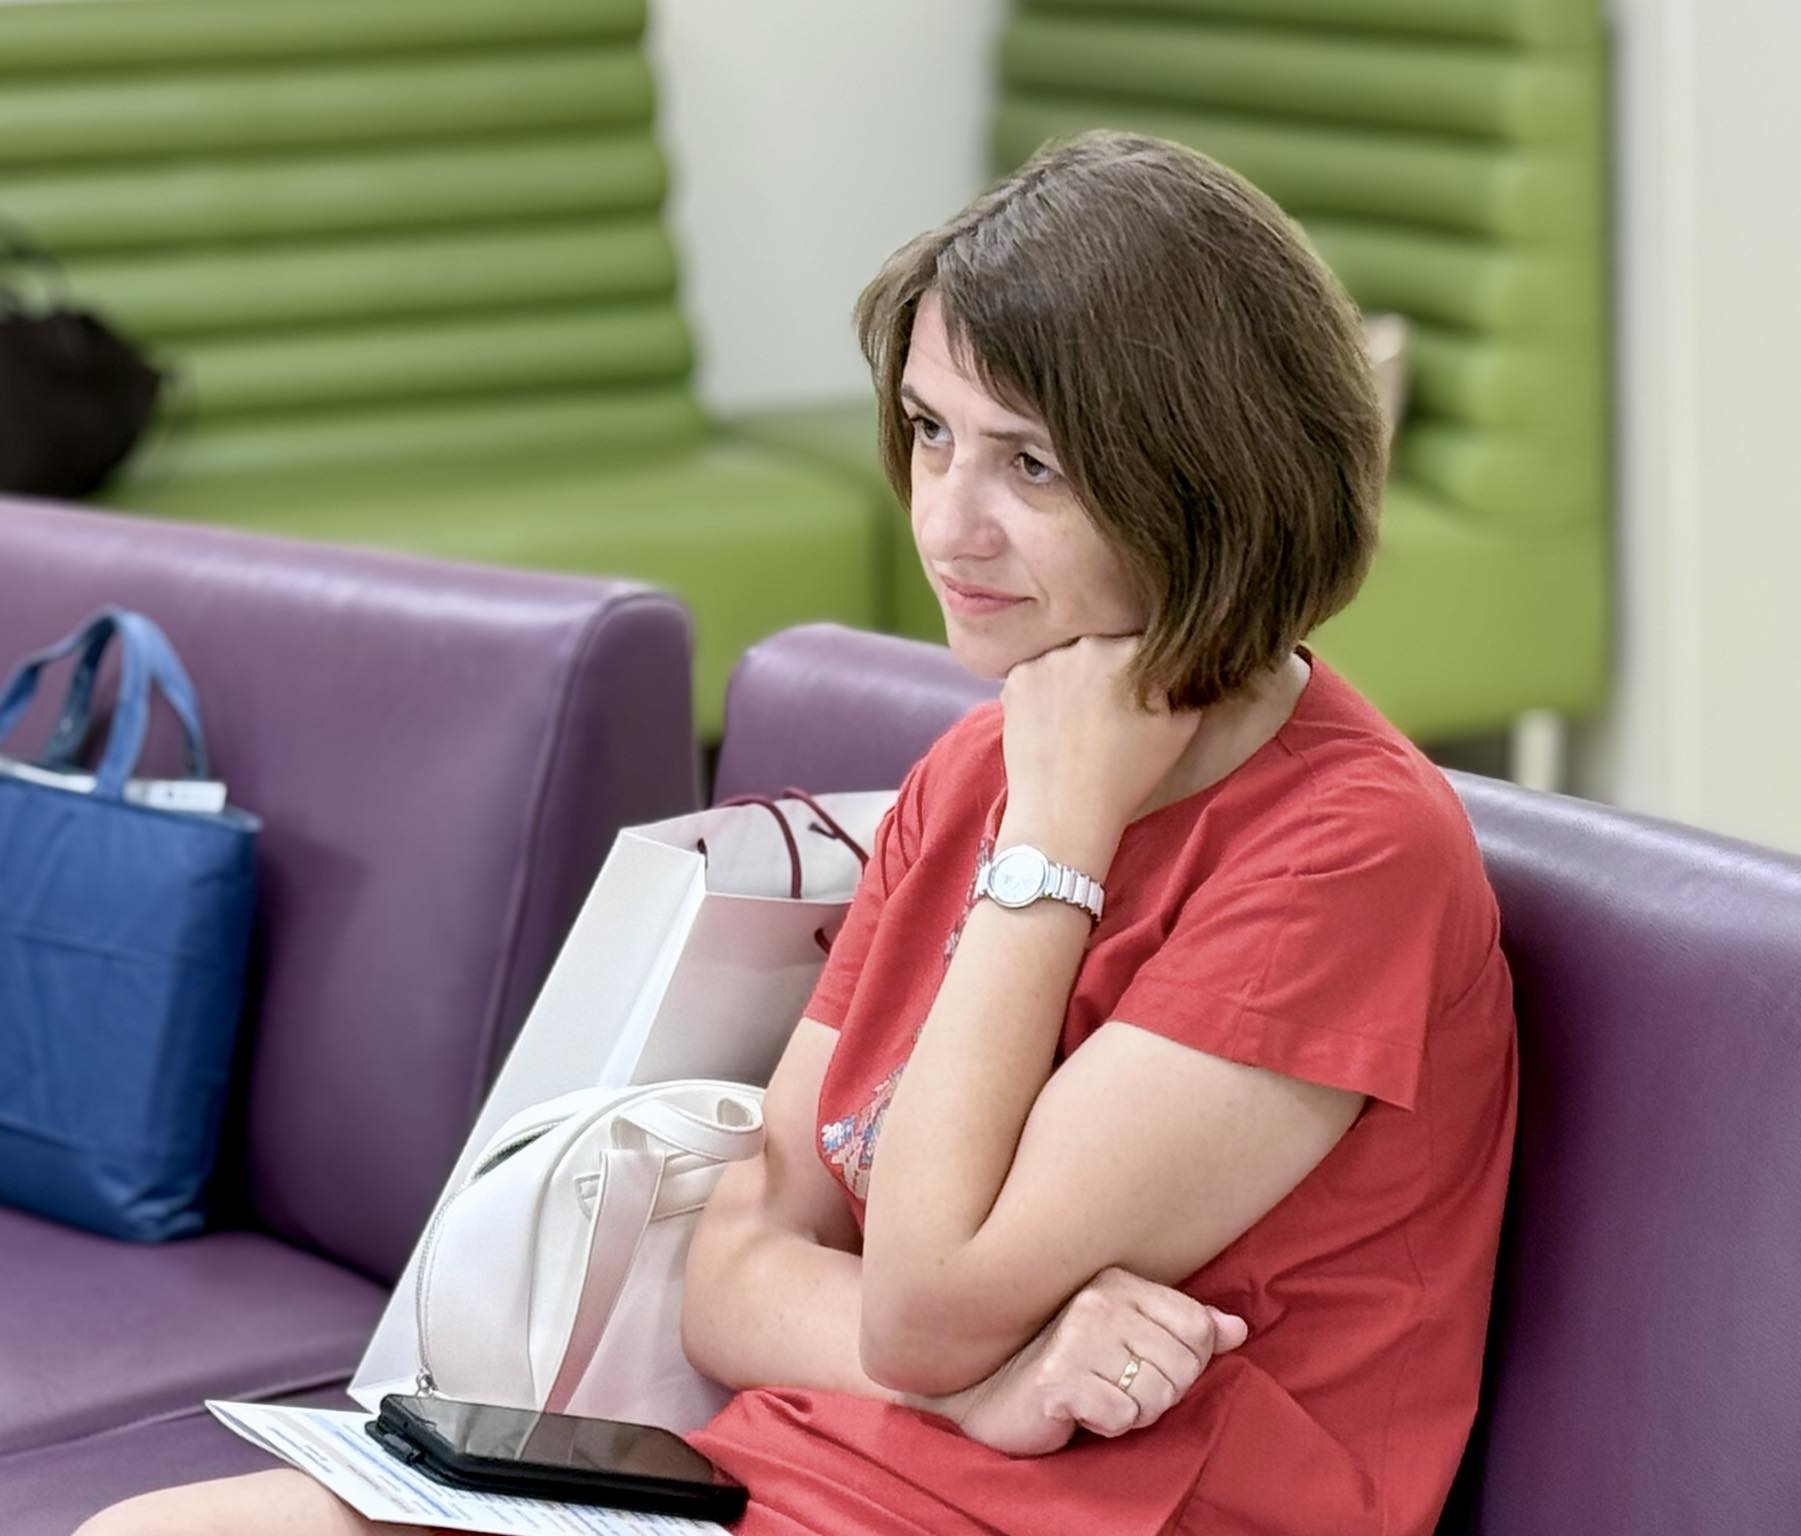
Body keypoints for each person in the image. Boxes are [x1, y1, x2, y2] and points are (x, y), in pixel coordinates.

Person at [77, 130, 1517, 1536]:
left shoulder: (1346, 854)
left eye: (1031, 465)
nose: (947, 526)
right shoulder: (975, 772)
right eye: (933, 434)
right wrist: (980, 1385)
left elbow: (927, 1302)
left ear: (1212, 479)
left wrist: (1056, 842)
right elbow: (740, 1267)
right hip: (794, 1477)